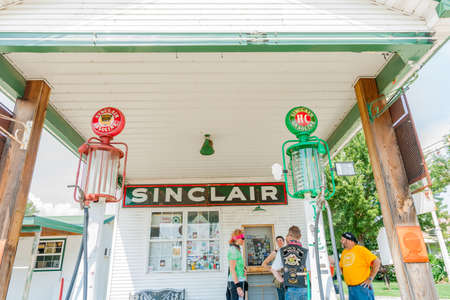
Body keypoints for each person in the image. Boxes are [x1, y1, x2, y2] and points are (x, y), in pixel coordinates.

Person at [339, 232, 381, 300]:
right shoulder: (344, 252)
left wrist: (370, 278)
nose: (341, 241)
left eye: (343, 240)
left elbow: (377, 261)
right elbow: (341, 267)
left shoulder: (360, 249)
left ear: (350, 241)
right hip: (350, 288)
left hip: (362, 287)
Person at [271, 226, 309, 300]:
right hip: (304, 287)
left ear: (289, 236)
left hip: (290, 288)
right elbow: (310, 272)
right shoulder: (305, 251)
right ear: (300, 236)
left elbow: (273, 269)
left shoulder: (281, 251)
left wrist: (281, 280)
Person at [262, 236, 286, 300]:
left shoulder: (288, 251)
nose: (279, 242)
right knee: (281, 297)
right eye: (277, 241)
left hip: (288, 278)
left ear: (284, 242)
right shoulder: (275, 252)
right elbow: (264, 264)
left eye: (280, 240)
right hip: (279, 279)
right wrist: (274, 271)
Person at [226, 229, 247, 300]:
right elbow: (232, 269)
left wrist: (243, 269)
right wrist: (238, 287)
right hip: (236, 282)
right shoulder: (233, 250)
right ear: (237, 238)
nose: (244, 240)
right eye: (243, 238)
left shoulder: (237, 249)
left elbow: (237, 266)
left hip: (239, 280)